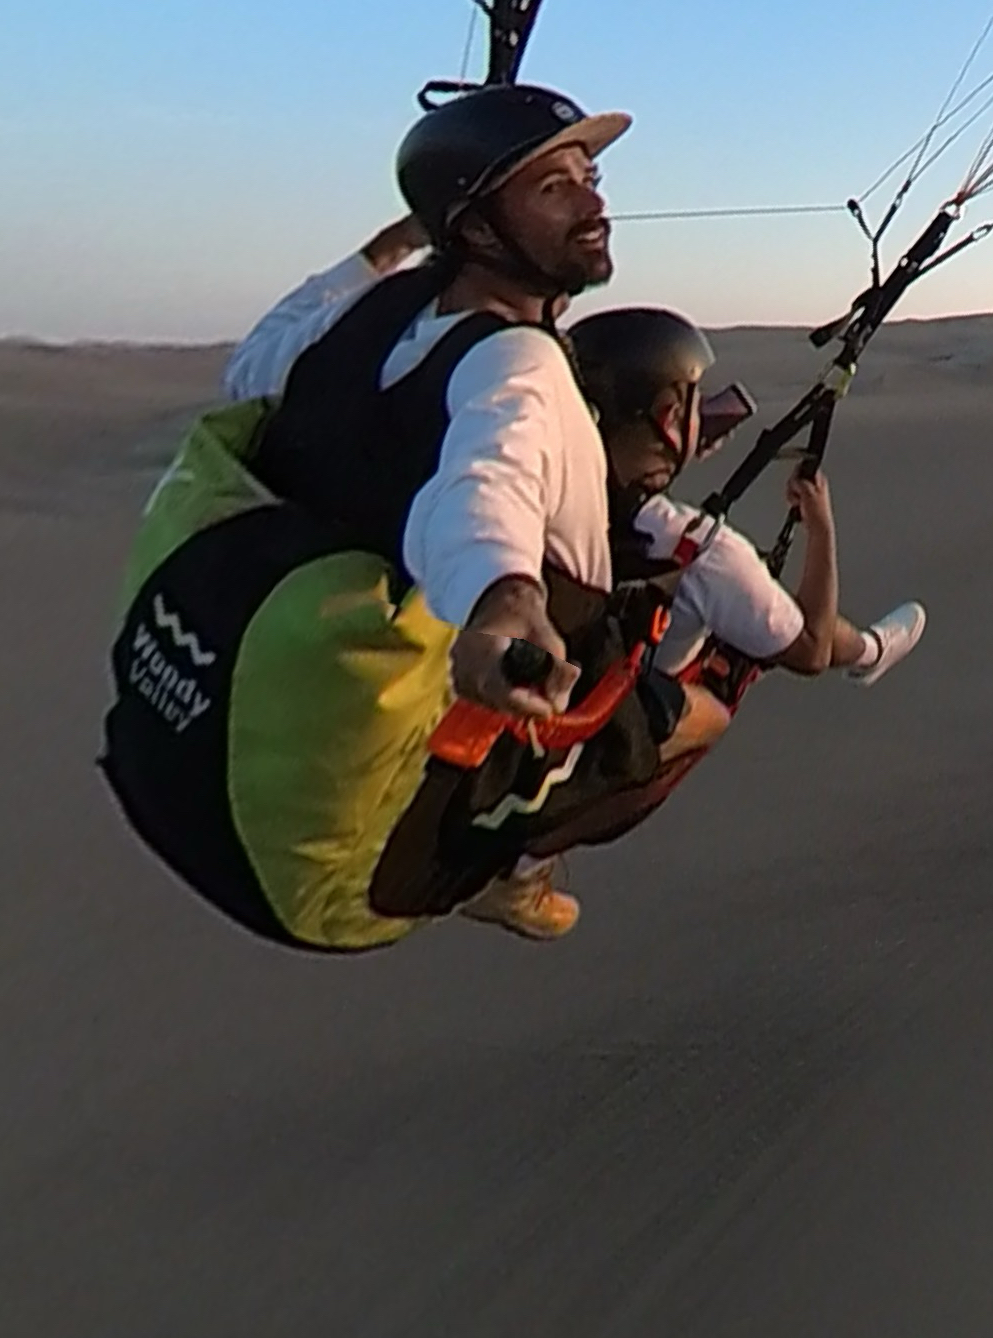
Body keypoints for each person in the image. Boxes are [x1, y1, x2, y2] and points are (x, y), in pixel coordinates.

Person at [222, 83, 677, 940]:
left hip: (341, 637)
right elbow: (486, 483)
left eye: (589, 174)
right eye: (555, 187)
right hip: (480, 688)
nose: (595, 199)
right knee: (692, 721)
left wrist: (399, 240)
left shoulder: (368, 313)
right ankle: (512, 872)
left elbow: (252, 367)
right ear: (476, 230)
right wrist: (505, 599)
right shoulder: (520, 367)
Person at [565, 306, 929, 716]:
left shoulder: (541, 497)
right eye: (693, 400)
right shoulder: (707, 552)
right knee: (769, 608)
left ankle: (868, 650)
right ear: (668, 420)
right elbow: (812, 650)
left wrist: (672, 451)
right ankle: (870, 652)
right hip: (627, 712)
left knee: (745, 592)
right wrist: (821, 529)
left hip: (566, 675)